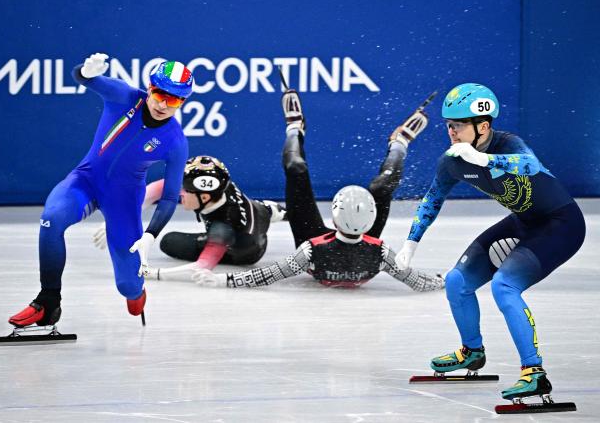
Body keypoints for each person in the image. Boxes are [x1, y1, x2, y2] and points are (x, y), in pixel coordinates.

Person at [394, 83, 586, 401]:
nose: (451, 132)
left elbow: (531, 166)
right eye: (448, 125)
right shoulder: (452, 161)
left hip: (561, 225)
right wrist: (410, 243)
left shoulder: (509, 143)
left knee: (504, 286)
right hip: (524, 223)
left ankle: (534, 373)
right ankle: (472, 351)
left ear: (483, 126)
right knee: (457, 281)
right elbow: (432, 199)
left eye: (458, 125)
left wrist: (485, 162)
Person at [191, 88, 445, 292]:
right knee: (382, 187)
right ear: (370, 223)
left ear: (334, 217)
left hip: (315, 247)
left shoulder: (311, 249)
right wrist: (447, 280)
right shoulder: (380, 252)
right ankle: (399, 144)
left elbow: (268, 275)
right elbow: (417, 281)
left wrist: (226, 281)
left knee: (297, 170)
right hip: (352, 248)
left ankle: (294, 128)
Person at [8, 53, 193, 327]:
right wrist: (85, 71)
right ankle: (47, 302)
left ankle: (136, 290)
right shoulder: (124, 96)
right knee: (51, 219)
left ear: (182, 103)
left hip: (124, 199)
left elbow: (169, 197)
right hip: (85, 180)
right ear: (149, 88)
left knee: (128, 287)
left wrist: (150, 235)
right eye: (159, 94)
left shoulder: (176, 141)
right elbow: (83, 77)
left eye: (174, 100)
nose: (163, 105)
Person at [93, 156, 287, 280]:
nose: (180, 193)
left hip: (245, 252)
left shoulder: (223, 228)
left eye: (185, 191)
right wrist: (116, 219)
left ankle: (219, 250)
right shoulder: (216, 189)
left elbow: (200, 269)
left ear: (204, 197)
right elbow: (154, 190)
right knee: (269, 210)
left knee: (169, 242)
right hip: (262, 211)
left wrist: (152, 273)